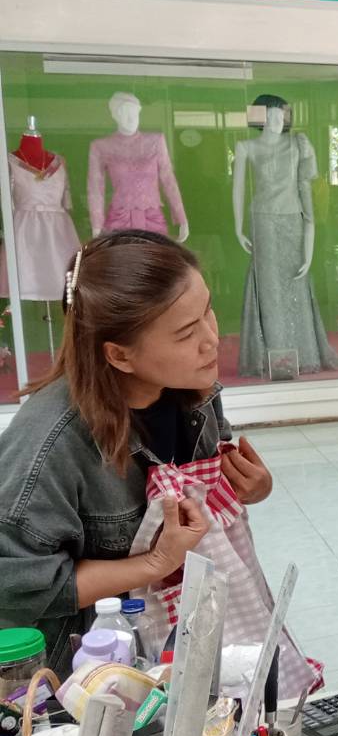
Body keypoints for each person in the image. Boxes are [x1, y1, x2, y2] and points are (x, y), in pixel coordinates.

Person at [0, 231, 273, 672]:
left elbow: (209, 498)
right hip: (94, 675)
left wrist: (251, 489)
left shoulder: (194, 394)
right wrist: (156, 561)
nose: (211, 339)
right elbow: (18, 586)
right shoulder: (49, 444)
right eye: (186, 333)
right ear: (120, 355)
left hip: (187, 636)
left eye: (208, 311)